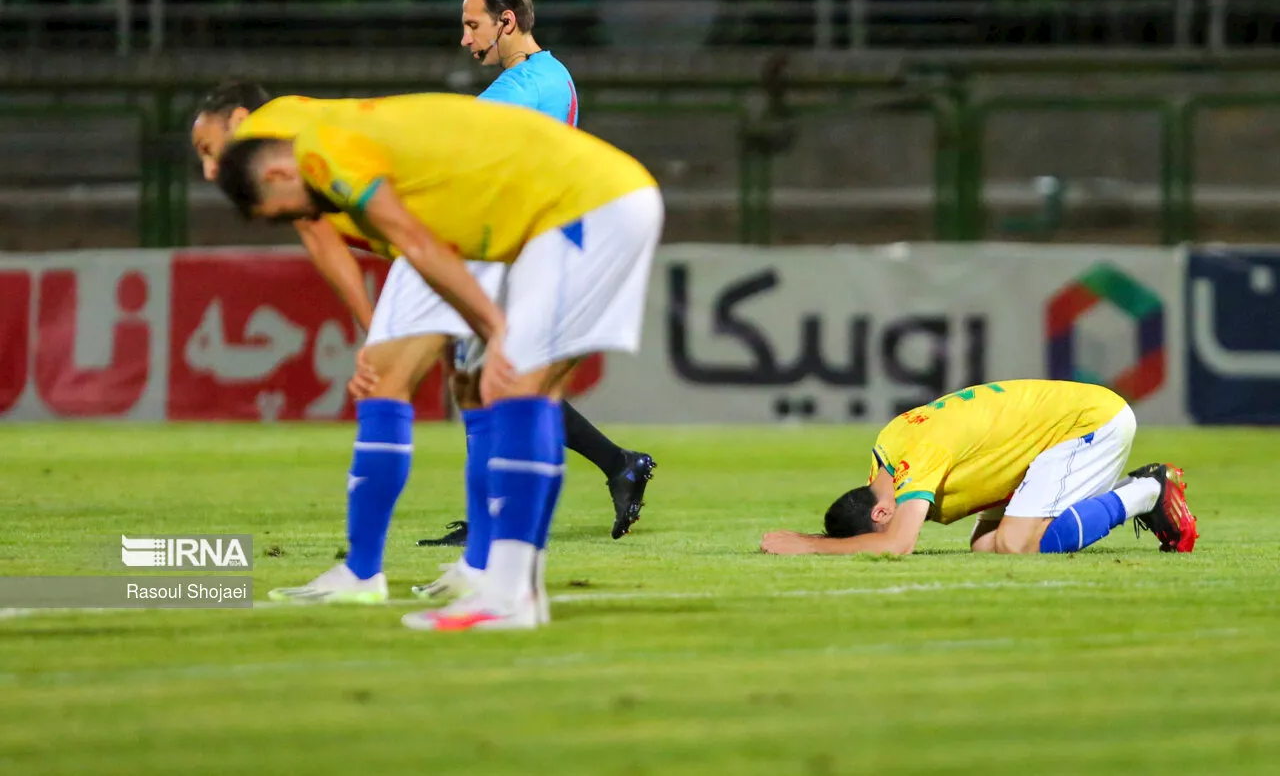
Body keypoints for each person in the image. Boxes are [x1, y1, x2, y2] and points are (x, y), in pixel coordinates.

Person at [215, 92, 664, 630]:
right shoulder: (363, 165)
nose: (307, 217)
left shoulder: (320, 151)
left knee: (516, 388)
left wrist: (497, 330)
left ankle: (504, 595)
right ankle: (512, 589)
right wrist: (483, 333)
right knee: (517, 392)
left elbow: (419, 243)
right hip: (590, 203)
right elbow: (435, 255)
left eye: (285, 210)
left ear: (278, 172)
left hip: (584, 208)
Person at [760, 380, 1198, 557]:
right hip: (1037, 442)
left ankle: (1148, 490)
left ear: (879, 512)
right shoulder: (886, 454)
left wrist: (809, 546)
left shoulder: (916, 456)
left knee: (1015, 545)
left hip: (1087, 424)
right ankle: (1139, 491)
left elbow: (896, 545)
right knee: (985, 546)